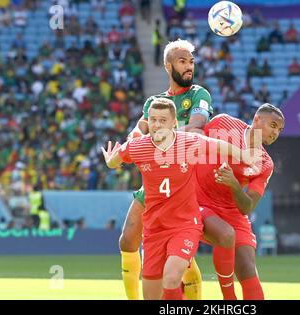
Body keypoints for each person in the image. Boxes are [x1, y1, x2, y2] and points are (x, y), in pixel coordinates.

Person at [102, 98, 257, 300]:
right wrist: (110, 161)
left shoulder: (189, 143)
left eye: (163, 120)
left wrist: (245, 156)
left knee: (172, 277)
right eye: (153, 120)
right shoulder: (137, 146)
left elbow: (219, 145)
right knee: (152, 295)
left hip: (185, 225)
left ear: (174, 122)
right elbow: (116, 159)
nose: (157, 125)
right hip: (154, 229)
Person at [118, 39, 220, 300]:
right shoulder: (155, 102)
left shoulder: (199, 94)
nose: (189, 67)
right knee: (128, 238)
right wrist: (132, 141)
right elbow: (138, 131)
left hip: (186, 177)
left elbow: (197, 128)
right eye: (182, 61)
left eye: (191, 62)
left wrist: (159, 137)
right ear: (168, 65)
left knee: (180, 263)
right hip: (156, 177)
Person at [195, 104, 284, 299]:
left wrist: (234, 184)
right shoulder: (224, 123)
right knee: (226, 235)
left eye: (279, 130)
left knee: (247, 267)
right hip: (198, 201)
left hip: (232, 211)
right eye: (273, 125)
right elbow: (193, 139)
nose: (276, 132)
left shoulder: (265, 163)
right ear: (257, 120)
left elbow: (247, 207)